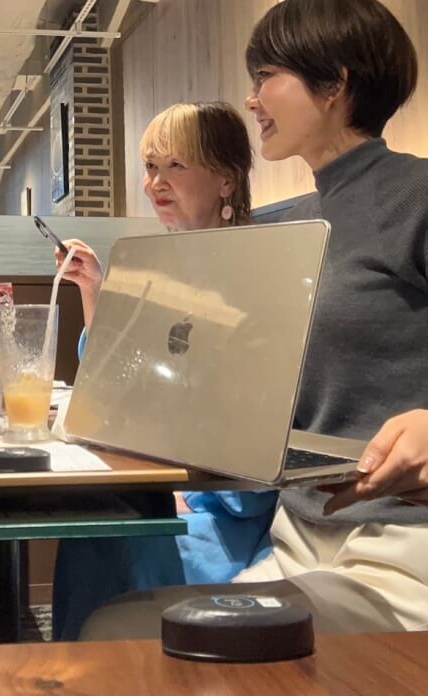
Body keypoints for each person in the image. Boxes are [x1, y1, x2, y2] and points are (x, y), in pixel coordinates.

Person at [82, 0, 428, 641]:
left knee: (122, 636)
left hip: (399, 551)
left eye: (266, 76)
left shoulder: (416, 196)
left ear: (335, 85)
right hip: (298, 542)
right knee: (112, 619)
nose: (251, 100)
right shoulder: (288, 226)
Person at [52, 102, 276, 639]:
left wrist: (182, 487)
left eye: (176, 166)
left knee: (112, 536)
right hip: (164, 483)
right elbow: (116, 380)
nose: (156, 182)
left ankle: (105, 665)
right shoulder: (164, 265)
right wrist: (96, 289)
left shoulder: (262, 271)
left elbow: (258, 428)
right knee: (88, 530)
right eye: (151, 167)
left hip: (230, 508)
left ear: (226, 179)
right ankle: (79, 669)